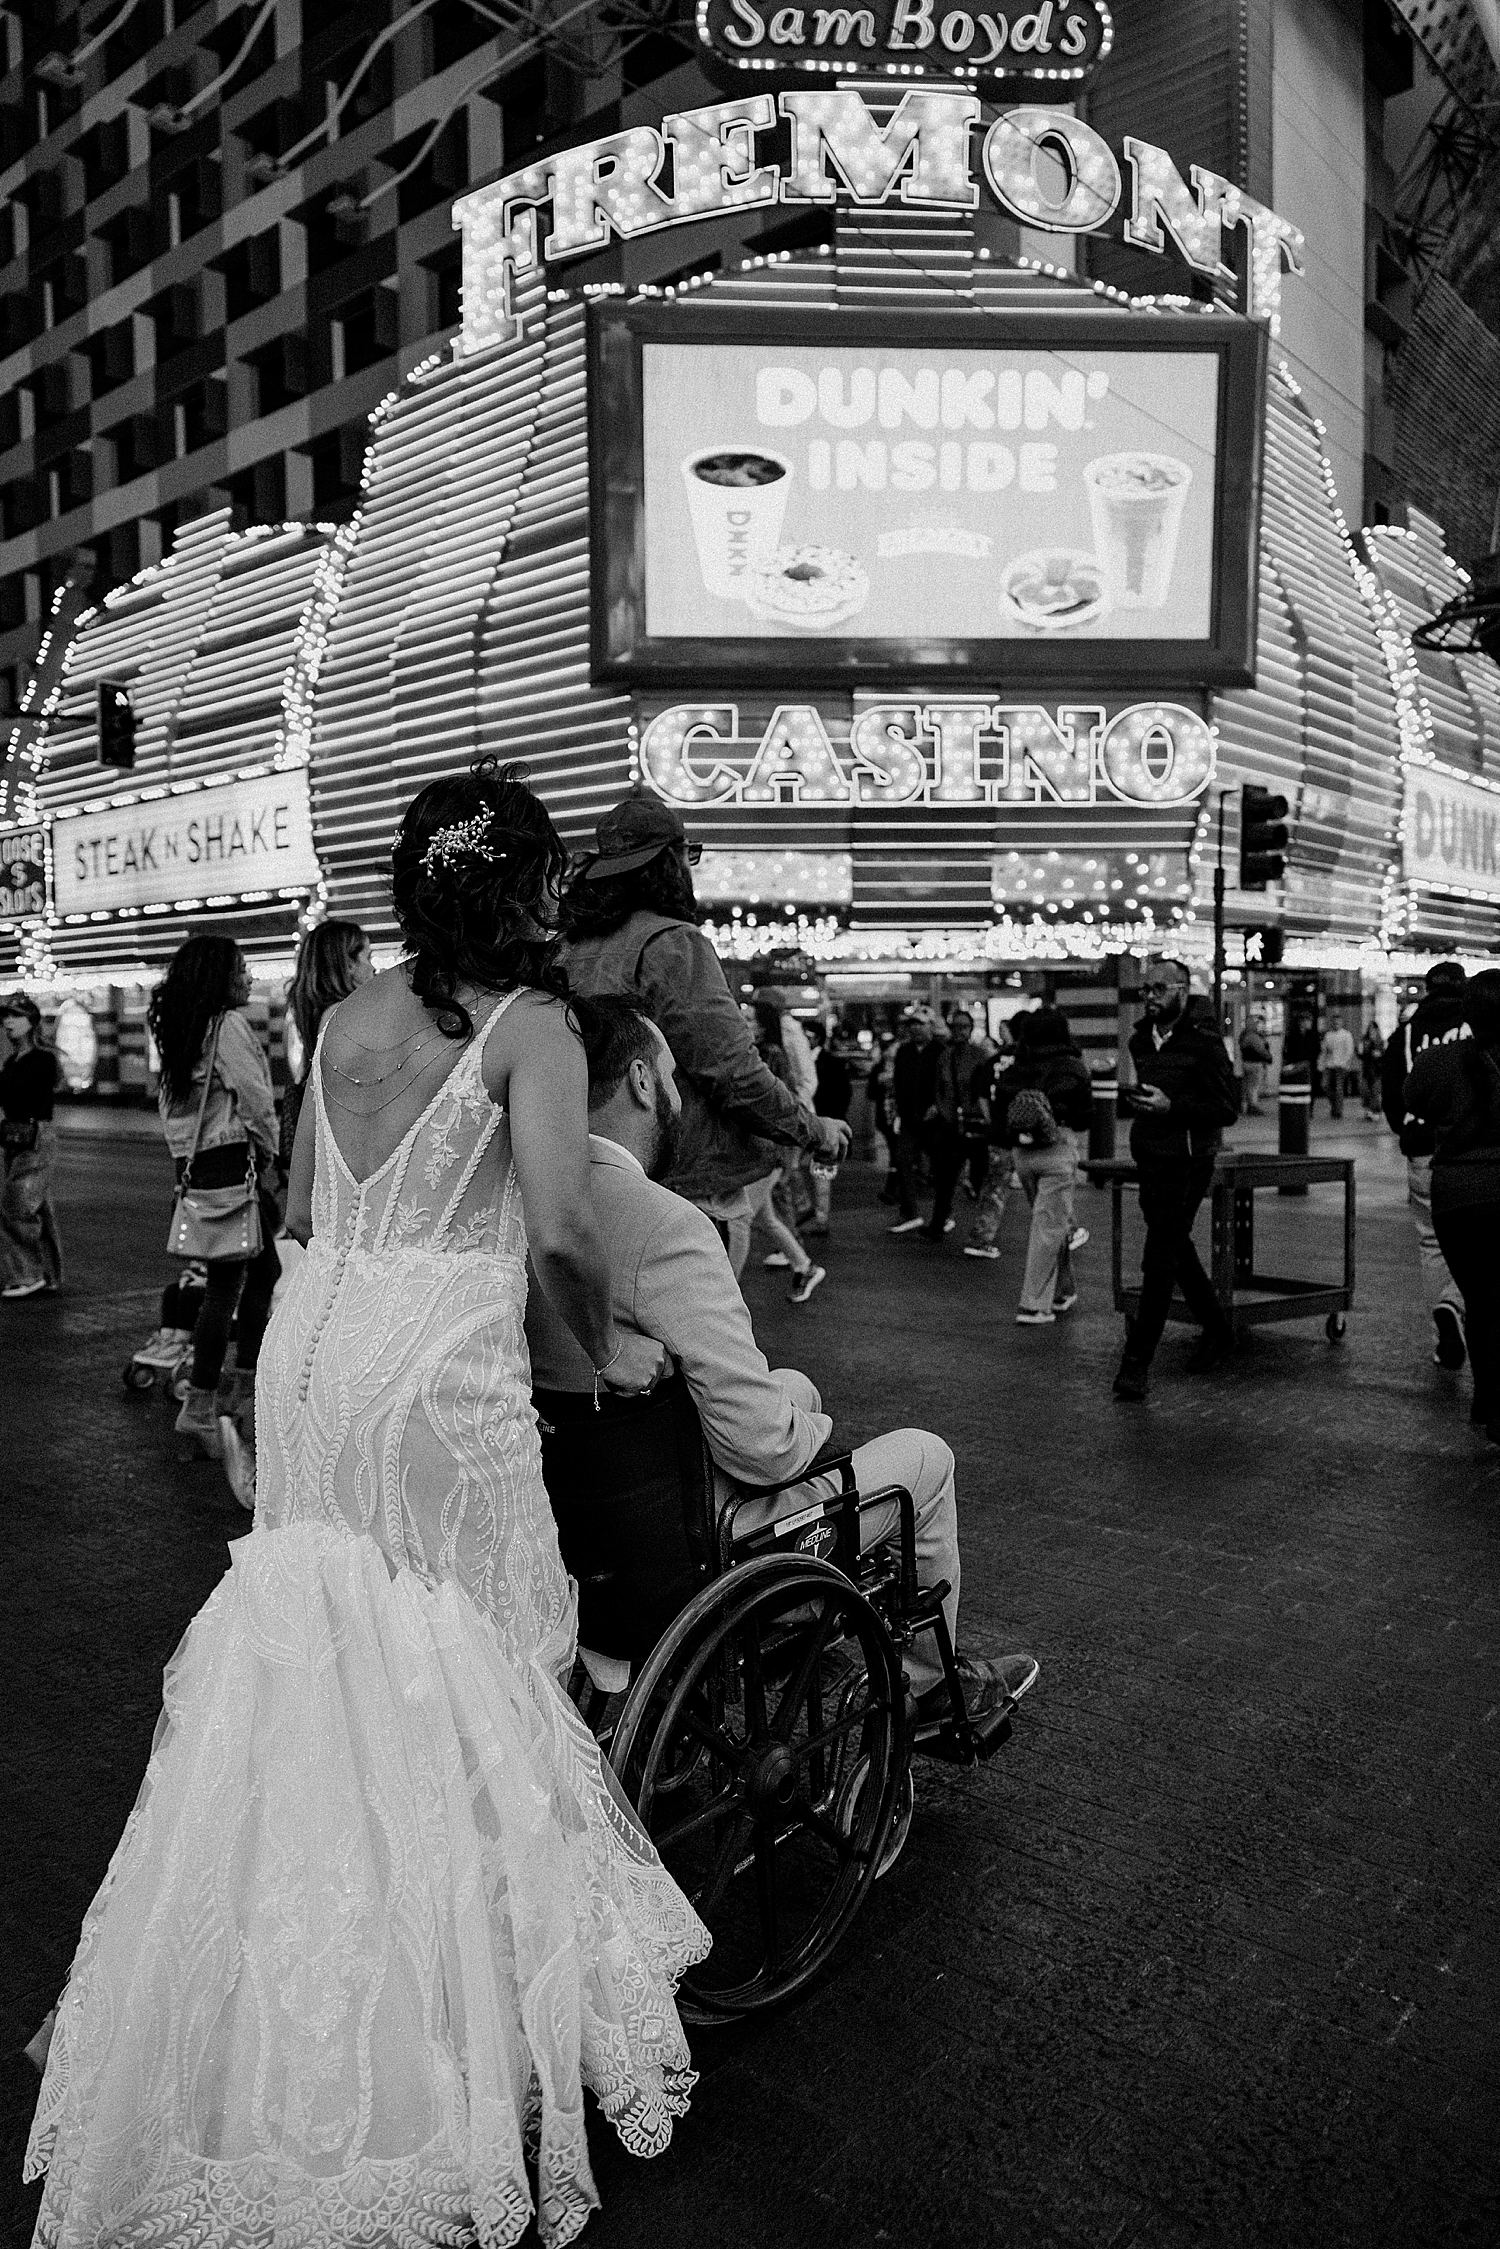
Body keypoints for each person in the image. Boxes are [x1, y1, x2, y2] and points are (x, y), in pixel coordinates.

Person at [27, 761, 707, 2249]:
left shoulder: (342, 1018)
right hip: (437, 1369)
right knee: (484, 1642)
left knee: (320, 1646)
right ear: (525, 890)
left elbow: (309, 1218)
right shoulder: (533, 1030)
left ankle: (267, 1984)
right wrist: (610, 1347)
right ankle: (457, 1991)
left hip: (314, 1347)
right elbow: (564, 1226)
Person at [525, 995, 1040, 1723]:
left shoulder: (525, 1203)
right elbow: (763, 1449)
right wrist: (816, 1433)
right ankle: (927, 1684)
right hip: (687, 1541)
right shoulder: (664, 1225)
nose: (678, 1098)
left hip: (588, 1511)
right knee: (926, 1458)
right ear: (642, 1082)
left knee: (793, 1384)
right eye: (672, 1079)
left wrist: (794, 1407)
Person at [558, 792, 848, 1274]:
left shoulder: (565, 949)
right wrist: (814, 1129)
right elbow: (732, 1071)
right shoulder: (671, 943)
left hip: (584, 1177)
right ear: (671, 862)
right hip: (687, 1187)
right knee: (705, 1345)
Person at [148, 937, 282, 1464]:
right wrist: (269, 1150)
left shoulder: (183, 1029)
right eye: (242, 969)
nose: (249, 978)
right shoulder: (227, 1027)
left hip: (199, 1167)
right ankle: (220, 1399)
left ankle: (223, 1395)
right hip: (234, 1164)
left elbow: (173, 1113)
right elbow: (254, 1097)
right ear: (219, 977)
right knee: (229, 1286)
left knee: (253, 1275)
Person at [1112, 961, 1240, 1402]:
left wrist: (1172, 1106)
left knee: (1160, 1256)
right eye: (1145, 988)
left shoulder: (1206, 1045)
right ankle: (1220, 1330)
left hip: (1189, 1162)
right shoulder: (1138, 1040)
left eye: (1159, 988)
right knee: (1175, 1249)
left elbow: (1226, 1108)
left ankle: (1136, 1364)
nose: (1149, 995)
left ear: (1182, 992)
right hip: (1151, 1156)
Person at [1404, 970, 1500, 1444]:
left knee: (1479, 1300)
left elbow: (1411, 1097)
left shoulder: (1438, 1060)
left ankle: (1487, 1401)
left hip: (1457, 1196)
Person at [1381, 960, 1469, 1372]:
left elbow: (1391, 1091)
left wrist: (1409, 1129)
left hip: (1423, 1149)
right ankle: (1456, 1304)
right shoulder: (1477, 1027)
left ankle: (1443, 1327)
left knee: (1432, 1241)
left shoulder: (1408, 1033)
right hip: (1471, 1145)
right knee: (1481, 1237)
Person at [995, 1006, 1093, 1325]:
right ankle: (1035, 1304)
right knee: (1049, 1226)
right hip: (1058, 1149)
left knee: (1049, 1223)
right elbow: (1083, 1118)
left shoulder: (1015, 1067)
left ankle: (1064, 1289)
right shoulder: (1072, 1067)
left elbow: (999, 1115)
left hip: (1022, 1154)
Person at [279, 916, 374, 1170]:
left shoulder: (313, 1012)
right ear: (349, 964)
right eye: (368, 957)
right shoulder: (344, 1015)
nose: (373, 968)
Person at [746, 1000, 825, 1304]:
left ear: (764, 1022)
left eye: (751, 1017)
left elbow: (783, 1098)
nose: (744, 1020)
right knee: (765, 1216)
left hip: (773, 1143)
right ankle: (804, 1266)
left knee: (742, 1218)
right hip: (769, 1142)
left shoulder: (773, 1053)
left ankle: (724, 1293)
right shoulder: (764, 1050)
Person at [0, 991, 63, 1299]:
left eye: (14, 1016)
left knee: (16, 1206)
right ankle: (48, 1275)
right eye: (5, 1017)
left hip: (35, 1135)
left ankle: (28, 1276)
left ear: (31, 1021)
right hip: (14, 1137)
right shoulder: (12, 1060)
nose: (7, 1022)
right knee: (37, 1208)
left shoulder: (43, 1059)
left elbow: (24, 1096)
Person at [888, 1005, 940, 1232]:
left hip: (934, 1118)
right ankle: (910, 1210)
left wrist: (939, 1106)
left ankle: (943, 1213)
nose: (916, 1029)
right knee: (902, 1160)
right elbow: (898, 1083)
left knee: (940, 1166)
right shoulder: (903, 1051)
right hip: (909, 1116)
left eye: (920, 1024)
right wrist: (897, 1111)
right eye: (912, 1025)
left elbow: (945, 1083)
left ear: (931, 1026)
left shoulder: (940, 1051)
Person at [806, 1018, 851, 1238]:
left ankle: (821, 1218)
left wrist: (833, 1117)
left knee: (821, 1175)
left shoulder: (831, 1063)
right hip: (804, 1124)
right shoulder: (799, 1060)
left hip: (823, 1123)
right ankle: (806, 1213)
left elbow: (844, 1092)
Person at [1318, 1018, 1355, 1118]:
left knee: (1339, 1089)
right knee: (1325, 1085)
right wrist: (1321, 1064)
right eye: (1334, 1023)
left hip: (1341, 1066)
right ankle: (1334, 1104)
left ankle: (1338, 1111)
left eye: (1338, 1022)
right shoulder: (1328, 1035)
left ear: (1341, 1023)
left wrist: (1344, 1063)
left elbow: (1349, 1051)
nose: (1336, 1024)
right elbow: (1324, 1051)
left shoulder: (1346, 1035)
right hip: (1329, 1065)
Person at [1239, 1015, 1272, 1115]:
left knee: (1247, 1086)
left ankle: (1247, 1105)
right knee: (1253, 1086)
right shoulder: (1253, 1036)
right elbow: (1260, 1050)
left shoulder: (1243, 1035)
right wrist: (1268, 1057)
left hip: (1245, 1063)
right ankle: (1252, 1106)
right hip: (1254, 1063)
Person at [1359, 1018, 1385, 1119]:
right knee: (1365, 1091)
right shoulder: (1364, 1041)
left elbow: (1383, 1055)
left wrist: (1379, 1054)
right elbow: (1361, 1055)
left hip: (1377, 1070)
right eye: (1370, 1029)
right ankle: (1368, 1110)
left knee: (1375, 1091)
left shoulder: (1381, 1042)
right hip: (1366, 1070)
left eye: (1374, 1029)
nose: (1372, 1031)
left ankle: (1376, 1111)